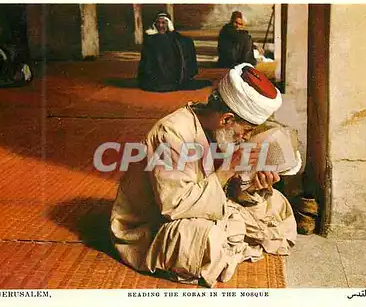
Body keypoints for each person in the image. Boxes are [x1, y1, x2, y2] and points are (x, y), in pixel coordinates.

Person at [110, 63, 297, 287]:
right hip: (152, 222)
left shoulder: (219, 133)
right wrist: (227, 171)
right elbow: (173, 205)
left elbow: (224, 190)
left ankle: (232, 237)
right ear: (227, 119)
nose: (244, 138)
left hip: (201, 204)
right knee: (201, 238)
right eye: (245, 131)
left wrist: (252, 187)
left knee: (275, 203)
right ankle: (229, 240)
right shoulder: (173, 133)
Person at [137, 12, 198, 92]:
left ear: (168, 24)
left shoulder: (175, 38)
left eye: (163, 23)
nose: (160, 25)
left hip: (172, 77)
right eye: (158, 23)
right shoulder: (150, 40)